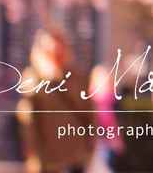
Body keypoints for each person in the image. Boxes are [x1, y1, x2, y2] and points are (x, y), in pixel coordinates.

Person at [15, 27, 95, 173]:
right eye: (51, 51)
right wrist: (32, 153)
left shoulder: (77, 76)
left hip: (76, 154)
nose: (56, 53)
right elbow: (27, 119)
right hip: (48, 157)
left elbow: (89, 113)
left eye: (60, 49)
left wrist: (90, 146)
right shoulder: (33, 78)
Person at [87, 65, 123, 172]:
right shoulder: (96, 102)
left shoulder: (110, 102)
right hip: (98, 143)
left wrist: (116, 139)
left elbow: (112, 124)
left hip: (106, 144)